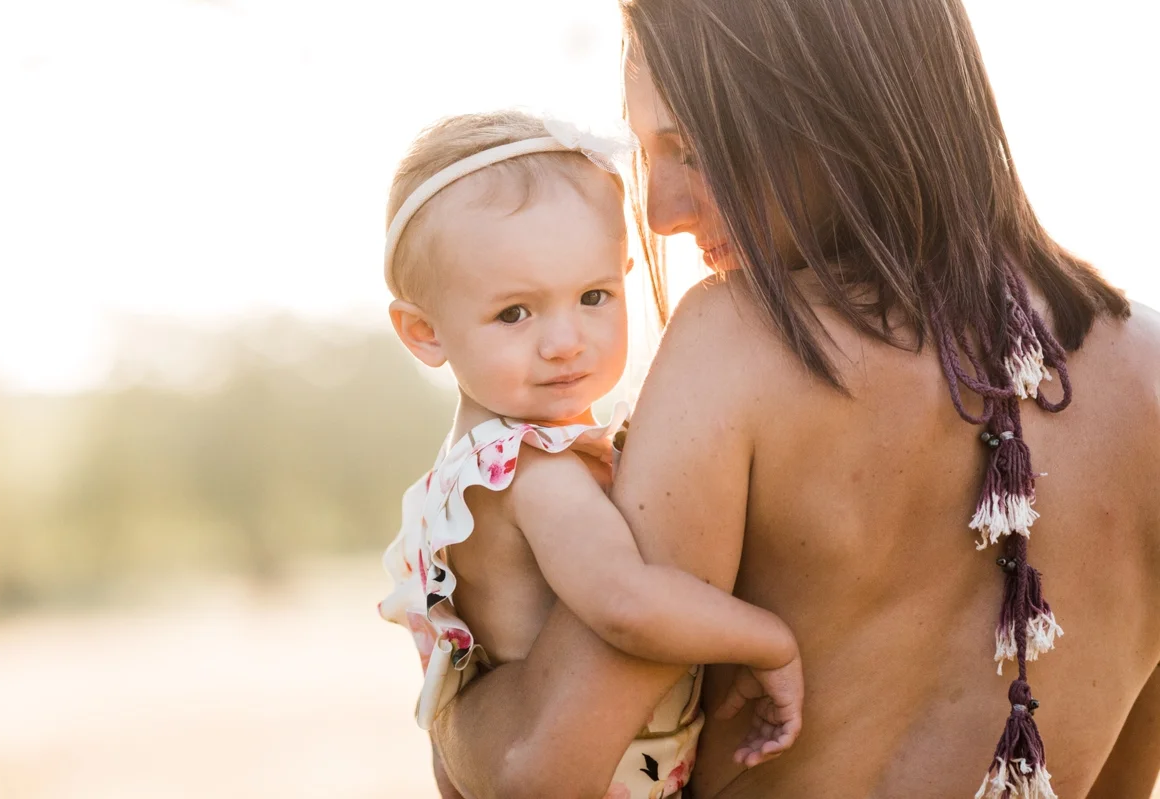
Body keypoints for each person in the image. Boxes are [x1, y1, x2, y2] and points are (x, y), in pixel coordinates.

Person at [430, 1, 1160, 797]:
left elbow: (535, 770)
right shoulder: (1150, 376)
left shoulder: (733, 347)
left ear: (834, 108)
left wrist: (446, 680)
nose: (660, 213)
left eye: (695, 149)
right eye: (649, 154)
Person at [377, 110, 805, 799]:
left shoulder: (459, 473)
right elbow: (625, 604)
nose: (565, 342)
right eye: (515, 313)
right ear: (424, 331)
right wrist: (770, 642)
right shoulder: (536, 470)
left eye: (594, 296)